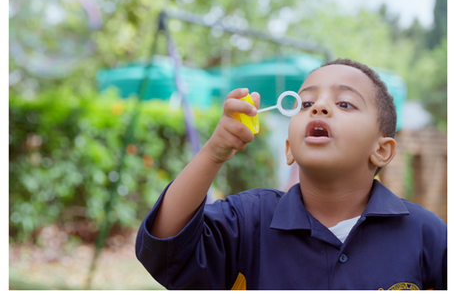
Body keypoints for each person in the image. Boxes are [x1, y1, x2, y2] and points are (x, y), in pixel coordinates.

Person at [135, 58, 447, 290]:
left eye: (345, 103)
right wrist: (214, 151)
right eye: (306, 102)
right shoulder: (250, 220)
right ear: (289, 149)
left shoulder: (427, 234)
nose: (319, 107)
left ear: (381, 150)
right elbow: (165, 247)